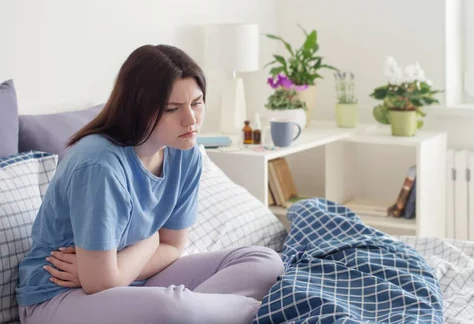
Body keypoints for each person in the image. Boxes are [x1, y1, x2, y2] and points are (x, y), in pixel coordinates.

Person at [16, 45, 284, 324]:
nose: (190, 120)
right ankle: (249, 311)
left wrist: (122, 268)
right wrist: (151, 240)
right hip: (60, 296)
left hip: (133, 279)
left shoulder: (186, 152)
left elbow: (173, 246)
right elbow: (101, 283)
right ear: (139, 109)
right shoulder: (100, 165)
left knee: (264, 263)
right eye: (172, 109)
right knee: (172, 309)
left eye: (197, 102)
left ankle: (202, 313)